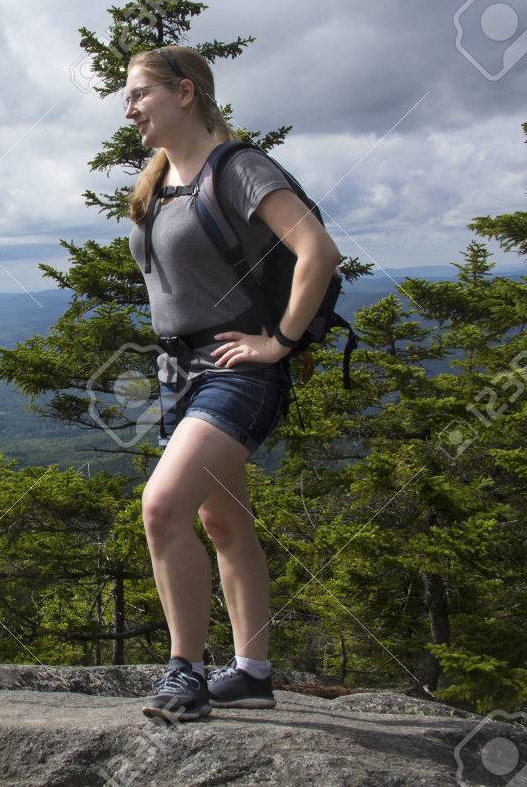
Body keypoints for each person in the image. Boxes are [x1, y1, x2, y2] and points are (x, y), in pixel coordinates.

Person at [123, 45, 343, 722]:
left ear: (184, 93)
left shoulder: (240, 169)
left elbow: (319, 251)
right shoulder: (161, 180)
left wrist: (278, 342)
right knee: (222, 520)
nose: (129, 109)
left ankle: (184, 671)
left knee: (162, 508)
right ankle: (251, 673)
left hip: (237, 368)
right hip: (181, 373)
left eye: (139, 94)